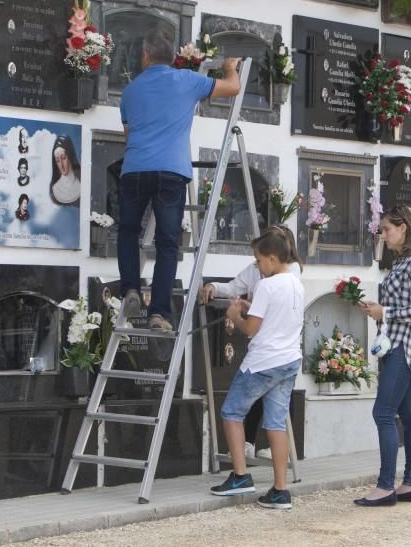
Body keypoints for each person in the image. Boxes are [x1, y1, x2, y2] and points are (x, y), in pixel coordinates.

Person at [117, 29, 242, 330]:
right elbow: (233, 88)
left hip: (134, 169)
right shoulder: (187, 80)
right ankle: (159, 313)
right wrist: (229, 68)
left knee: (128, 232)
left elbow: (127, 134)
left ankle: (131, 289)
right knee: (168, 244)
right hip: (171, 171)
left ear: (145, 56)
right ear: (173, 58)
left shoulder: (130, 91)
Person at [209, 231, 304, 509]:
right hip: (289, 360)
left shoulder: (268, 285)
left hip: (263, 362)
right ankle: (280, 490)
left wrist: (235, 315)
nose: (257, 265)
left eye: (259, 260)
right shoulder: (296, 282)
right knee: (275, 423)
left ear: (272, 259)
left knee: (231, 412)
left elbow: (251, 327)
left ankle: (240, 476)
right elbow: (278, 313)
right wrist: (252, 306)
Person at [354, 204, 411, 507]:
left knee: (383, 413)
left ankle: (386, 486)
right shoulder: (402, 262)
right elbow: (403, 307)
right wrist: (377, 311)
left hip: (406, 347)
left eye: (387, 229)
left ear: (404, 228)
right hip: (395, 343)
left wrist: (384, 311)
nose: (383, 235)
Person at [50, 136, 81, 205]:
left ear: (70, 157)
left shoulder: (81, 184)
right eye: (57, 160)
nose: (61, 164)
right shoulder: (56, 189)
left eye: (64, 158)